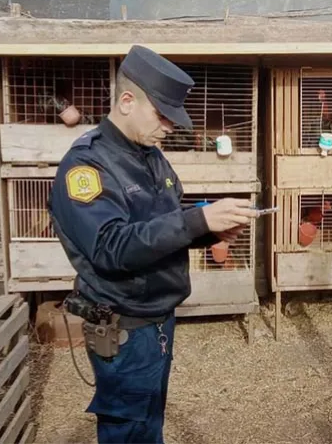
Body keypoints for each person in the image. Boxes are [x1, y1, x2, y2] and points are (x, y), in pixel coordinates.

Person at [48, 45, 258, 444]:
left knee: (149, 424)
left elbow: (161, 225)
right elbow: (110, 247)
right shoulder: (86, 167)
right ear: (127, 101)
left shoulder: (151, 157)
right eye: (162, 114)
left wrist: (209, 232)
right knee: (129, 432)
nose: (170, 126)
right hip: (124, 325)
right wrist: (196, 220)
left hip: (159, 317)